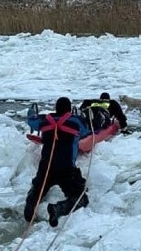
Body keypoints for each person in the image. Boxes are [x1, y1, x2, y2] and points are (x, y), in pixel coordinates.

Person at [24, 97, 91, 227]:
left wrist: (32, 113)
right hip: (66, 168)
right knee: (81, 198)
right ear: (69, 109)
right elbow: (85, 129)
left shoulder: (45, 121)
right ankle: (58, 209)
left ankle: (30, 209)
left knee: (36, 190)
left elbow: (32, 121)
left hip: (46, 167)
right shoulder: (75, 122)